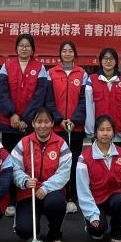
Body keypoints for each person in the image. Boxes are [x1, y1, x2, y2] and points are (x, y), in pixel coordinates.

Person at [10, 107, 72, 242]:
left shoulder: (61, 143)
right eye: (39, 122)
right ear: (33, 123)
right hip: (28, 192)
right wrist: (25, 181)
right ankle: (33, 235)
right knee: (24, 230)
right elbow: (14, 168)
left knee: (56, 203)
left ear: (52, 124)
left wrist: (45, 187)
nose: (42, 125)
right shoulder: (24, 143)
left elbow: (64, 173)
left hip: (51, 192)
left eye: (46, 122)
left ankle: (55, 235)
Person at [76, 115, 121, 242]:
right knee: (98, 231)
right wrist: (92, 214)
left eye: (109, 130)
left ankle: (117, 234)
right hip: (94, 200)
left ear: (113, 132)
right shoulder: (84, 158)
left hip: (114, 197)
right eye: (101, 129)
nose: (105, 133)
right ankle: (91, 226)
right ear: (95, 132)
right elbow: (83, 189)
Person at [48, 40, 87, 213]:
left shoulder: (82, 73)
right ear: (60, 54)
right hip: (57, 128)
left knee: (73, 163)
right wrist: (58, 120)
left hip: (75, 128)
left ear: (74, 54)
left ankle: (72, 196)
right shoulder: (51, 73)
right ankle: (58, 194)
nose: (67, 54)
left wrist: (75, 120)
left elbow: (84, 101)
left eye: (70, 51)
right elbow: (49, 100)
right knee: (57, 163)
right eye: (64, 51)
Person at [0, 33, 51, 153]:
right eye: (21, 45)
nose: (24, 48)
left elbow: (40, 96)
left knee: (29, 157)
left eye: (27, 46)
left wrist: (26, 119)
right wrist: (12, 114)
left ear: (32, 49)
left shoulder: (39, 67)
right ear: (16, 48)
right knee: (9, 156)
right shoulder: (7, 66)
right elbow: (1, 92)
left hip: (30, 123)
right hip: (9, 122)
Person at [76, 47, 121, 144]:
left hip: (117, 132)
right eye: (105, 58)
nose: (108, 61)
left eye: (111, 58)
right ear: (100, 61)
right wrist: (91, 130)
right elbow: (89, 107)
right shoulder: (92, 80)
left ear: (116, 61)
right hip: (98, 133)